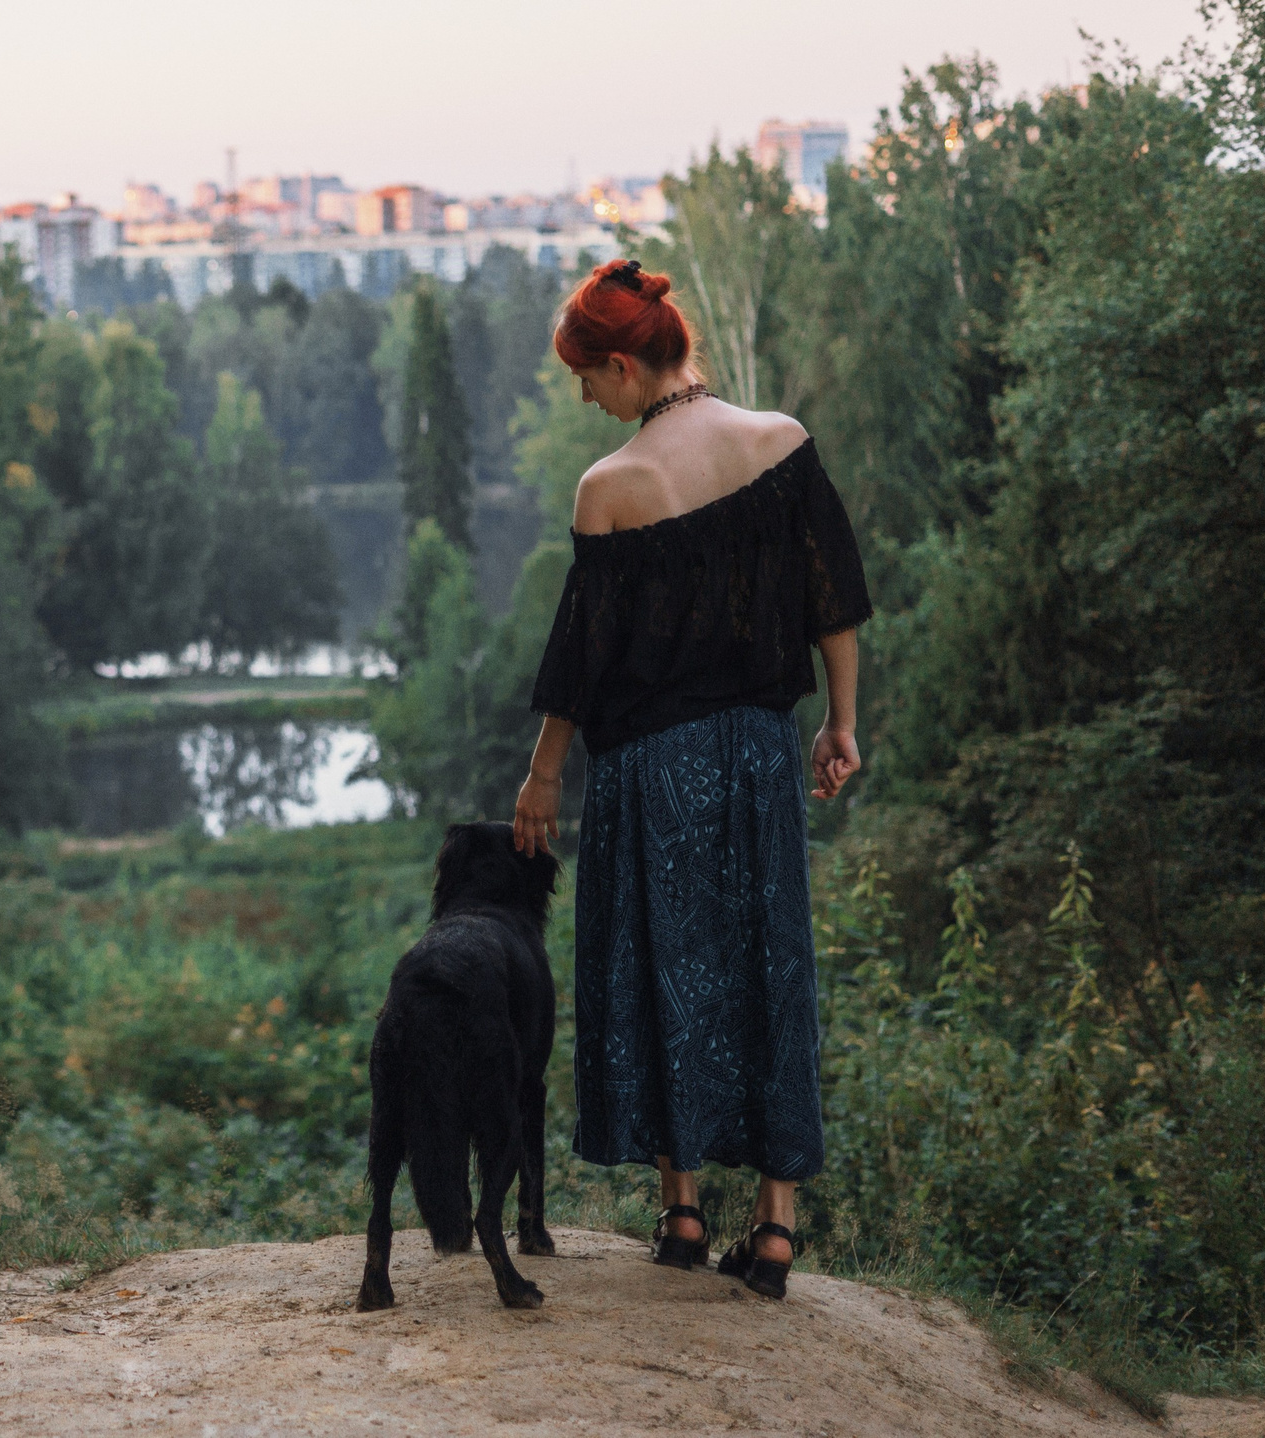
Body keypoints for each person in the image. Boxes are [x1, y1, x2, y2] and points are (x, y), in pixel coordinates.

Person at [513, 257, 869, 1301]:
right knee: (768, 963)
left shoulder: (611, 486)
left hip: (650, 769)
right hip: (759, 755)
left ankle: (678, 1212)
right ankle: (773, 1233)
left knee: (668, 964)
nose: (588, 400)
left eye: (589, 379)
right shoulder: (780, 443)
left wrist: (542, 777)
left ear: (626, 363)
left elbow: (581, 658)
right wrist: (840, 723)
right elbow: (832, 597)